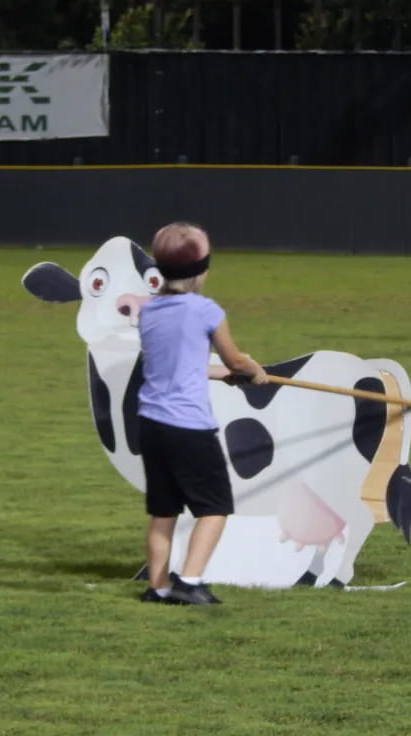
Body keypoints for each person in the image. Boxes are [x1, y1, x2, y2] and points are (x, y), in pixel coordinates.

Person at [137, 222, 268, 605]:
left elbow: (174, 364)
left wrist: (222, 375)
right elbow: (235, 357)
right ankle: (190, 583)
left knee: (164, 511)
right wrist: (251, 372)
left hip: (152, 425)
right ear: (201, 269)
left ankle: (158, 588)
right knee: (214, 507)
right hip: (189, 427)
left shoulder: (149, 311)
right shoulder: (206, 310)